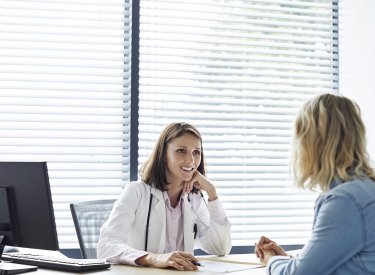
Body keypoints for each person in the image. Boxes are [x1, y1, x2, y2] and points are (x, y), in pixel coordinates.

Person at [255, 94, 375, 275]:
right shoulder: (365, 189)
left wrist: (271, 259)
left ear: (311, 143)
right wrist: (290, 261)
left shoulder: (345, 200)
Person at [97, 122, 232, 271]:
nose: (191, 161)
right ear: (164, 155)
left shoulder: (194, 197)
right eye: (181, 151)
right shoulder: (136, 191)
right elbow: (106, 245)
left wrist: (212, 193)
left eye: (196, 152)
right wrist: (153, 258)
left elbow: (220, 248)